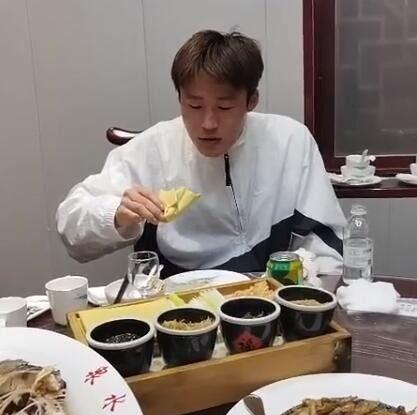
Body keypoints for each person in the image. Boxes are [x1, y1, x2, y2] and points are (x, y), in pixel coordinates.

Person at [57, 30, 345, 277]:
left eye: (224, 107)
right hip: (176, 304)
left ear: (251, 101)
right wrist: (117, 213)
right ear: (180, 98)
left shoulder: (290, 141)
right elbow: (72, 229)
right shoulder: (152, 149)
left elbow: (324, 244)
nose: (208, 123)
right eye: (194, 106)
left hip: (269, 298)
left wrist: (307, 274)